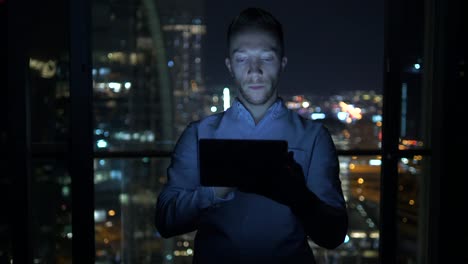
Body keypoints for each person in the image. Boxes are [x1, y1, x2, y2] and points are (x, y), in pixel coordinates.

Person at [155, 7, 348, 264]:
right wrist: (214, 192)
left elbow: (334, 234)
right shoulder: (198, 134)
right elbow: (165, 220)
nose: (254, 70)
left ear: (282, 64)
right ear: (230, 66)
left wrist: (299, 197)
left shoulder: (314, 137)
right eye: (242, 58)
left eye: (266, 58)